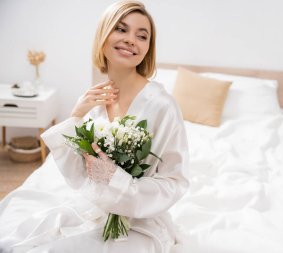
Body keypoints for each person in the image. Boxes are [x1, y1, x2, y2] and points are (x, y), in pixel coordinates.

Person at [0, 1, 189, 252]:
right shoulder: (94, 102)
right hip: (95, 209)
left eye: (142, 36)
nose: (132, 40)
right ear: (103, 35)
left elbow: (174, 181)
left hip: (141, 219)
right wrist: (77, 114)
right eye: (121, 30)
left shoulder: (162, 105)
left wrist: (118, 180)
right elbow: (78, 172)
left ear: (147, 48)